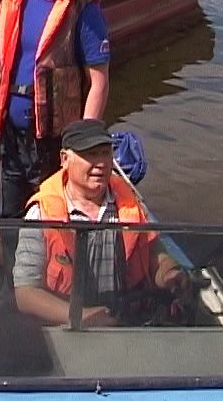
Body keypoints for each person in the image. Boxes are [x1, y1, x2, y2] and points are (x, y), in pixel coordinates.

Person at [0, 0, 111, 282]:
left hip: (54, 143)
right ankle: (10, 289)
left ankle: (55, 288)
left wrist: (83, 144)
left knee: (53, 220)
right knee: (9, 217)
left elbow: (99, 80)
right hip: (12, 137)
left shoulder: (85, 12)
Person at [13, 119, 191, 326]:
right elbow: (25, 295)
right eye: (90, 154)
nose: (100, 163)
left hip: (127, 321)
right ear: (64, 159)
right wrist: (82, 316)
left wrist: (170, 273)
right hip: (67, 329)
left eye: (105, 153)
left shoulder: (131, 205)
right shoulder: (40, 213)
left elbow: (155, 255)